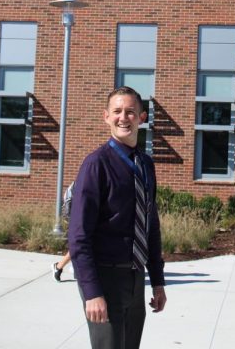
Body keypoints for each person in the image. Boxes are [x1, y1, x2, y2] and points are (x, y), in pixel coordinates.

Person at [68, 86, 167, 349]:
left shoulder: (145, 165)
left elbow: (150, 225)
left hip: (135, 279)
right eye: (117, 111)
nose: (124, 117)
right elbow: (78, 236)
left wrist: (157, 281)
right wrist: (92, 292)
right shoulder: (95, 165)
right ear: (106, 117)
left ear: (142, 118)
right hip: (105, 279)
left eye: (131, 112)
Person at [53, 180, 75, 282]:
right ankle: (58, 267)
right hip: (78, 217)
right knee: (79, 245)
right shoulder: (83, 180)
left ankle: (59, 267)